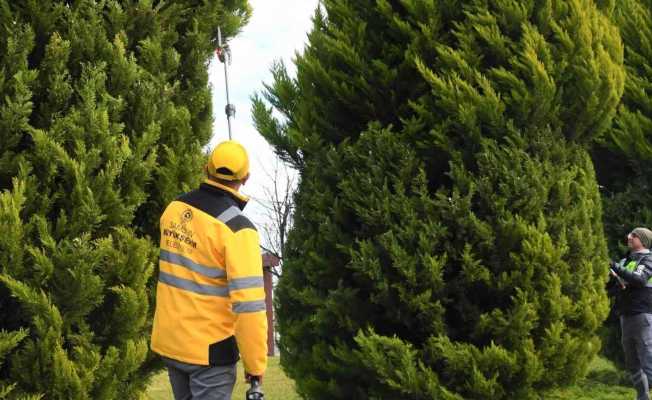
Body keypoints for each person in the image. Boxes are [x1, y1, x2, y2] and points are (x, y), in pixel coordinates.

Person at [151, 140, 267, 400]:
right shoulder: (239, 229)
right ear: (246, 178)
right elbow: (248, 306)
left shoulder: (173, 210)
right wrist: (255, 365)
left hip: (172, 342)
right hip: (210, 352)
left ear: (206, 169)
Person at [608, 227, 652, 400]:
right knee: (632, 363)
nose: (629, 237)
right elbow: (615, 286)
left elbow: (639, 279)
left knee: (649, 360)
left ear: (643, 240)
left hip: (643, 315)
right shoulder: (625, 261)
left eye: (634, 235)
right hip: (626, 316)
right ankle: (642, 397)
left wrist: (614, 266)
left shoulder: (648, 259)